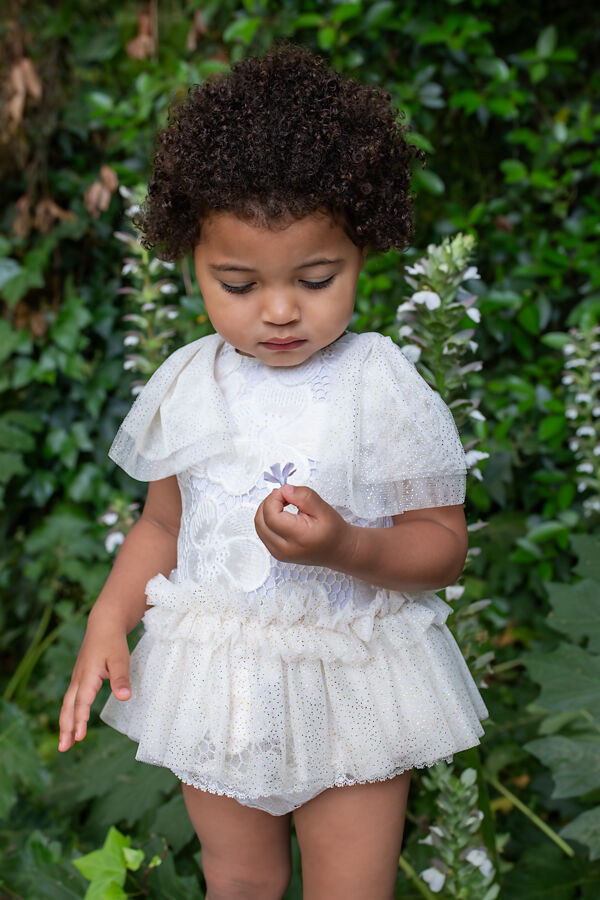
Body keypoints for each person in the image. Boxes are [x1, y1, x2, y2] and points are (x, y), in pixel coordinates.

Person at [58, 42, 489, 900]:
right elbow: (161, 526)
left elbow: (442, 547)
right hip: (220, 679)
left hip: (355, 680)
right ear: (191, 264)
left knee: (351, 889)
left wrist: (346, 548)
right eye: (239, 283)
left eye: (316, 277)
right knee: (238, 881)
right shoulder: (189, 379)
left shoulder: (380, 383)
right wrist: (110, 616)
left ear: (361, 252)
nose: (282, 309)